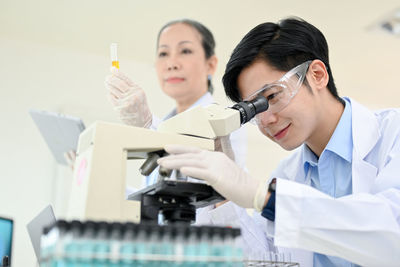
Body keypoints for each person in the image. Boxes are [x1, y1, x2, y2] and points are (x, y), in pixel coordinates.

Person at [157, 17, 400, 266]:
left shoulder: (394, 134)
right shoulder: (287, 173)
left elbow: (391, 234)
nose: (267, 120)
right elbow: (265, 259)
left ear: (317, 75)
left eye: (272, 95)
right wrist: (224, 195)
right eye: (254, 110)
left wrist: (266, 198)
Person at [104, 19, 272, 255]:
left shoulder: (225, 124)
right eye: (163, 54)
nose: (172, 63)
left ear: (211, 64)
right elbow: (156, 203)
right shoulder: (164, 122)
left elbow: (203, 206)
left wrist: (148, 125)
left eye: (185, 51)